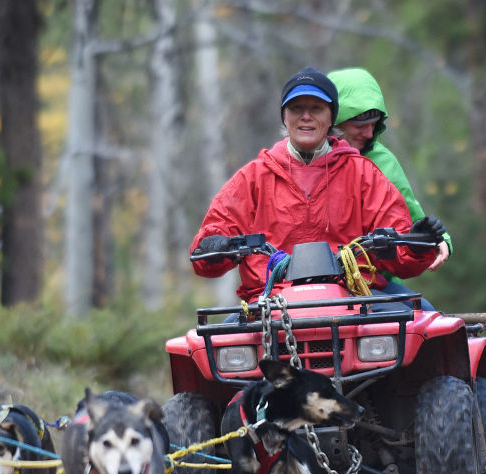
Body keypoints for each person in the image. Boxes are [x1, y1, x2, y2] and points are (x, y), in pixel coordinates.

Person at [190, 66, 444, 306]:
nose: (306, 117)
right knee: (205, 348)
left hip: (354, 301)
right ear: (285, 117)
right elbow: (207, 250)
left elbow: (403, 259)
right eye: (297, 108)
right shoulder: (253, 178)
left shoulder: (364, 174)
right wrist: (214, 246)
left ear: (331, 116)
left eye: (316, 108)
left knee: (424, 334)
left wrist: (418, 243)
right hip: (270, 306)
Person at [329, 67, 451, 275]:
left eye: (373, 125)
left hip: (376, 282)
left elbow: (411, 219)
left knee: (422, 308)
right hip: (314, 285)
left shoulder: (382, 161)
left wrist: (440, 240)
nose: (369, 134)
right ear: (334, 121)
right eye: (360, 127)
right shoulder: (306, 160)